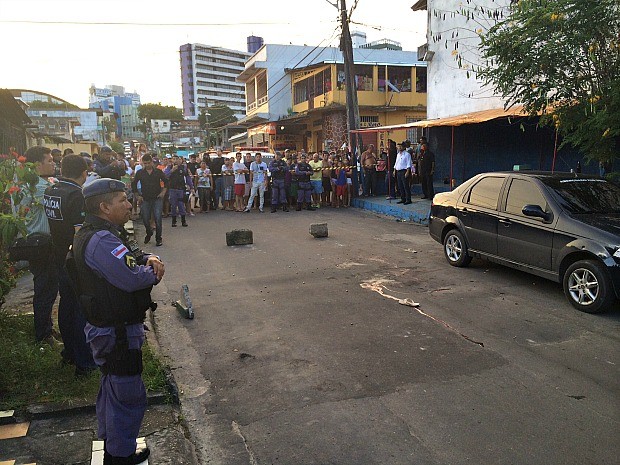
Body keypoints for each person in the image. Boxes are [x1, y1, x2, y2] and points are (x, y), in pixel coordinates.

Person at [69, 178, 164, 465]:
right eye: (122, 199)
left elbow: (134, 257)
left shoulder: (106, 232)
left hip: (112, 328)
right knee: (128, 395)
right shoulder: (101, 240)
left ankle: (115, 447)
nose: (128, 203)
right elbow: (132, 277)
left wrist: (150, 256)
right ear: (104, 206)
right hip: (116, 332)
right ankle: (119, 457)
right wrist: (155, 272)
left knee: (114, 390)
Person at [43, 154, 96, 376]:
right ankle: (84, 362)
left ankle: (70, 352)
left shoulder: (51, 190)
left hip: (58, 254)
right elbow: (78, 234)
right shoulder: (76, 195)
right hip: (72, 259)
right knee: (80, 309)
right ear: (84, 173)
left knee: (66, 306)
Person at [22, 146, 59, 345]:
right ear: (37, 165)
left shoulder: (31, 183)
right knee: (46, 288)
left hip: (38, 244)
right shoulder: (38, 186)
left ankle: (46, 329)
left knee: (46, 287)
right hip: (41, 244)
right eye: (50, 160)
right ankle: (43, 334)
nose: (53, 163)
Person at [132, 154, 168, 246]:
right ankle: (149, 232)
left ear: (152, 162)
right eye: (145, 163)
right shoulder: (140, 172)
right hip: (145, 198)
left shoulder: (158, 172)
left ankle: (158, 238)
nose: (147, 165)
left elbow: (166, 182)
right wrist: (137, 196)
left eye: (148, 163)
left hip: (157, 198)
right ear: (143, 163)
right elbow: (134, 184)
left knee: (158, 219)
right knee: (145, 218)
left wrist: (163, 192)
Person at [164, 155, 193, 227]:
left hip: (181, 189)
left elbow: (188, 177)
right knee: (173, 205)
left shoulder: (183, 168)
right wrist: (171, 171)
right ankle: (174, 221)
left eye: (177, 159)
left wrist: (191, 187)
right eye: (174, 159)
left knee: (181, 205)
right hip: (172, 189)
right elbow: (165, 176)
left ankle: (183, 221)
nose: (176, 160)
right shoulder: (169, 167)